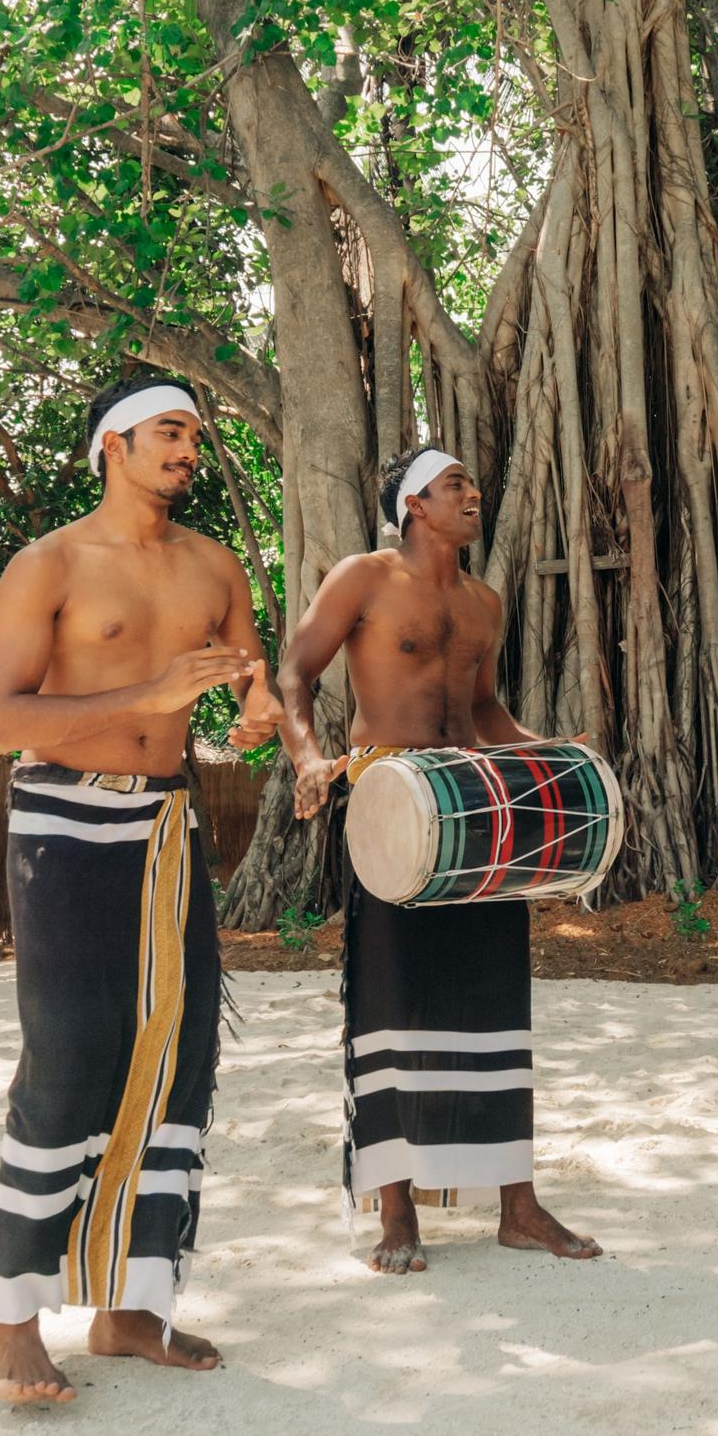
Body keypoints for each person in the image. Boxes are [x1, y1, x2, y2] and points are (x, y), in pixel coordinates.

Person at [0, 373, 280, 1408]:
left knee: (176, 1055)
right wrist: (146, 694)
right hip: (63, 818)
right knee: (67, 1051)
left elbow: (252, 678)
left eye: (196, 434)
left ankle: (132, 1305)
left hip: (165, 825)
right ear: (114, 441)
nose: (190, 449)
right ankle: (14, 1319)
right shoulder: (48, 562)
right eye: (170, 431)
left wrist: (258, 713)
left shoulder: (214, 564)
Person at [273, 444, 604, 1276]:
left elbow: (486, 707)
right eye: (457, 484)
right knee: (394, 996)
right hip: (387, 797)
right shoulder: (365, 577)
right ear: (415, 502)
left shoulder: (486, 601)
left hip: (475, 804)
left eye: (472, 483)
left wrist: (548, 751)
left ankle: (518, 1206)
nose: (473, 494)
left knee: (498, 993)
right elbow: (295, 672)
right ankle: (396, 1210)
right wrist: (309, 758)